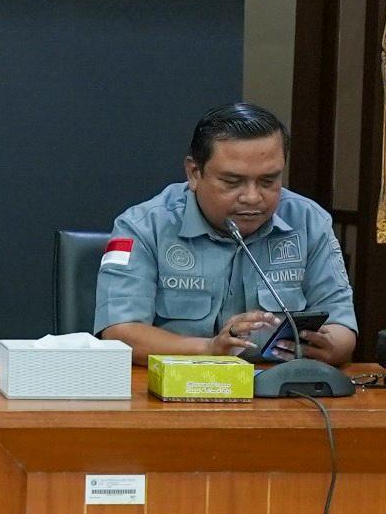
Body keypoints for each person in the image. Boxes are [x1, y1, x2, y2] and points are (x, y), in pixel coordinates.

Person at [95, 102, 358, 366]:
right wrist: (209, 348)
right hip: (173, 392)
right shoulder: (142, 226)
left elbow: (342, 327)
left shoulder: (309, 222)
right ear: (194, 173)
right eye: (233, 182)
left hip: (279, 392)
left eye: (269, 181)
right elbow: (120, 334)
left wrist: (330, 347)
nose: (253, 197)